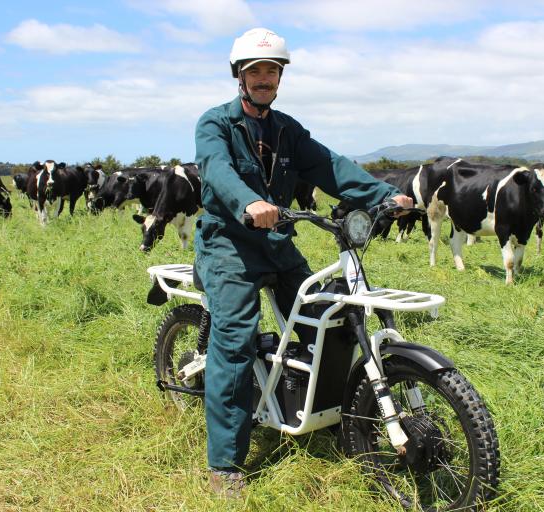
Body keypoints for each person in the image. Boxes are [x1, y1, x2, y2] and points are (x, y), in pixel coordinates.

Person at [193, 27, 413, 496]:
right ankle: (225, 464)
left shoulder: (287, 130)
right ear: (239, 76)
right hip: (228, 243)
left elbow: (330, 167)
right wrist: (250, 203)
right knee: (235, 338)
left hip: (276, 243)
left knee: (325, 319)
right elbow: (217, 169)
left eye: (272, 70)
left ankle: (324, 410)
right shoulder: (215, 124)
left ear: (280, 77)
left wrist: (384, 194)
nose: (264, 78)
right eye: (255, 71)